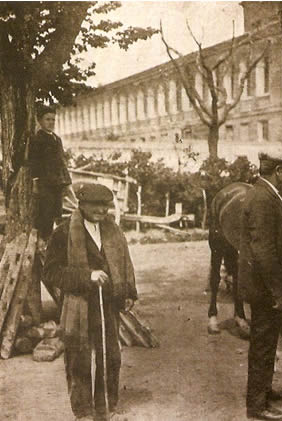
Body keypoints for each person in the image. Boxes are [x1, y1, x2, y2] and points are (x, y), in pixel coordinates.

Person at [43, 183, 137, 420]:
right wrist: (87, 276)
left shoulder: (113, 230)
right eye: (95, 206)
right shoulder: (63, 233)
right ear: (81, 204)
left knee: (111, 356)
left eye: (105, 206)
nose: (101, 211)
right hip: (79, 303)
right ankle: (83, 411)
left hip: (108, 302)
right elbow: (51, 272)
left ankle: (106, 407)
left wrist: (127, 292)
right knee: (79, 357)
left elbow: (125, 262)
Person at [238, 151, 282, 421]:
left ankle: (264, 389)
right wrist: (277, 290)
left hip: (267, 285)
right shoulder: (264, 197)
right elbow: (263, 250)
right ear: (278, 171)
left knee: (267, 341)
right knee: (263, 344)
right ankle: (257, 406)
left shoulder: (265, 193)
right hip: (265, 288)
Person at [29, 105, 72, 240]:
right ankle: (42, 241)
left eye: (53, 120)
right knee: (44, 214)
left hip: (57, 183)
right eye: (47, 119)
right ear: (40, 121)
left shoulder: (57, 139)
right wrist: (35, 183)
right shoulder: (37, 139)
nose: (51, 123)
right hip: (45, 184)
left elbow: (61, 161)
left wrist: (66, 182)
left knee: (56, 213)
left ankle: (51, 242)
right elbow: (34, 162)